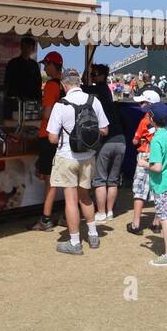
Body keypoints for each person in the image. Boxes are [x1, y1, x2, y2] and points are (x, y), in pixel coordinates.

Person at [49, 69, 110, 255]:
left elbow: (52, 138)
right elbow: (105, 130)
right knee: (85, 196)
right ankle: (93, 235)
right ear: (78, 82)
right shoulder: (93, 101)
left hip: (67, 156)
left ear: (64, 84)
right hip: (88, 156)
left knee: (71, 200)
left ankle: (75, 242)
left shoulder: (60, 105)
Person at [29, 52, 67, 231]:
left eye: (46, 64)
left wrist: (40, 110)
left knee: (49, 180)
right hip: (62, 137)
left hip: (48, 136)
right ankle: (66, 215)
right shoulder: (65, 85)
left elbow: (47, 113)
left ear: (54, 65)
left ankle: (45, 219)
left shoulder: (52, 85)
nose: (44, 68)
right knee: (66, 180)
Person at [142, 104, 167, 266]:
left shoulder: (156, 138)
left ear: (152, 119)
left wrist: (144, 164)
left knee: (164, 217)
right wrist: (152, 156)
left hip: (161, 183)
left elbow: (157, 167)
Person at [84, 64, 125, 222]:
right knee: (113, 180)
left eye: (94, 74)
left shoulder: (99, 90)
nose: (92, 77)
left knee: (100, 179)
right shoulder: (106, 91)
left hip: (107, 140)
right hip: (120, 139)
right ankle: (109, 211)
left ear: (101, 75)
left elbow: (82, 89)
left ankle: (101, 212)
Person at [126, 89, 161, 235]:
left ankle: (136, 224)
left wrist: (139, 139)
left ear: (149, 104)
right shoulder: (162, 120)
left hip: (145, 154)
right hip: (158, 155)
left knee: (139, 189)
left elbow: (135, 140)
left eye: (142, 102)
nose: (140, 105)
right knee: (158, 188)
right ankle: (157, 223)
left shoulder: (144, 121)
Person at [3, 36, 43, 116]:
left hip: (31, 101)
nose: (26, 49)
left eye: (29, 47)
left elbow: (38, 83)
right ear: (21, 47)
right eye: (24, 47)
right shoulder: (13, 63)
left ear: (33, 49)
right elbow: (7, 82)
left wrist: (38, 100)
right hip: (15, 101)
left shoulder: (34, 65)